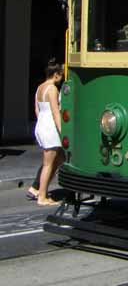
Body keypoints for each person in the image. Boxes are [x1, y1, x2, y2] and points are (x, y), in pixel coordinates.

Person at [33, 59, 65, 206]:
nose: (62, 78)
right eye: (61, 75)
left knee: (57, 159)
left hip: (41, 125)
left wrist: (41, 124)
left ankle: (40, 191)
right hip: (50, 128)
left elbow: (37, 110)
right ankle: (42, 196)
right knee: (48, 164)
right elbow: (55, 112)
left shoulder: (40, 87)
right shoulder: (52, 89)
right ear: (56, 75)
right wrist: (61, 130)